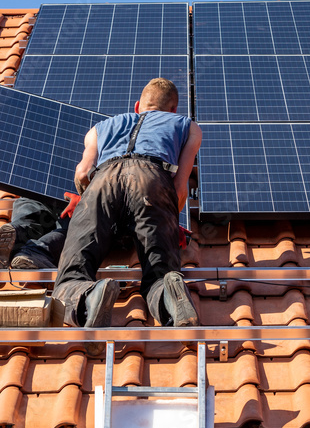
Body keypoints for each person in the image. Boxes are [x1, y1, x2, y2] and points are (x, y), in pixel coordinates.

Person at [52, 78, 203, 335]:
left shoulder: (99, 128)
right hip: (152, 178)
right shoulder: (188, 127)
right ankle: (171, 294)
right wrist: (163, 221)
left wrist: (93, 208)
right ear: (173, 109)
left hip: (103, 180)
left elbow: (82, 172)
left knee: (72, 273)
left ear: (137, 106)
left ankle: (90, 294)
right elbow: (180, 189)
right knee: (158, 271)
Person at [0, 196, 66, 270]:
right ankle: (35, 252)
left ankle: (16, 233)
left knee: (30, 222)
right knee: (70, 230)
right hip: (69, 196)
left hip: (35, 189)